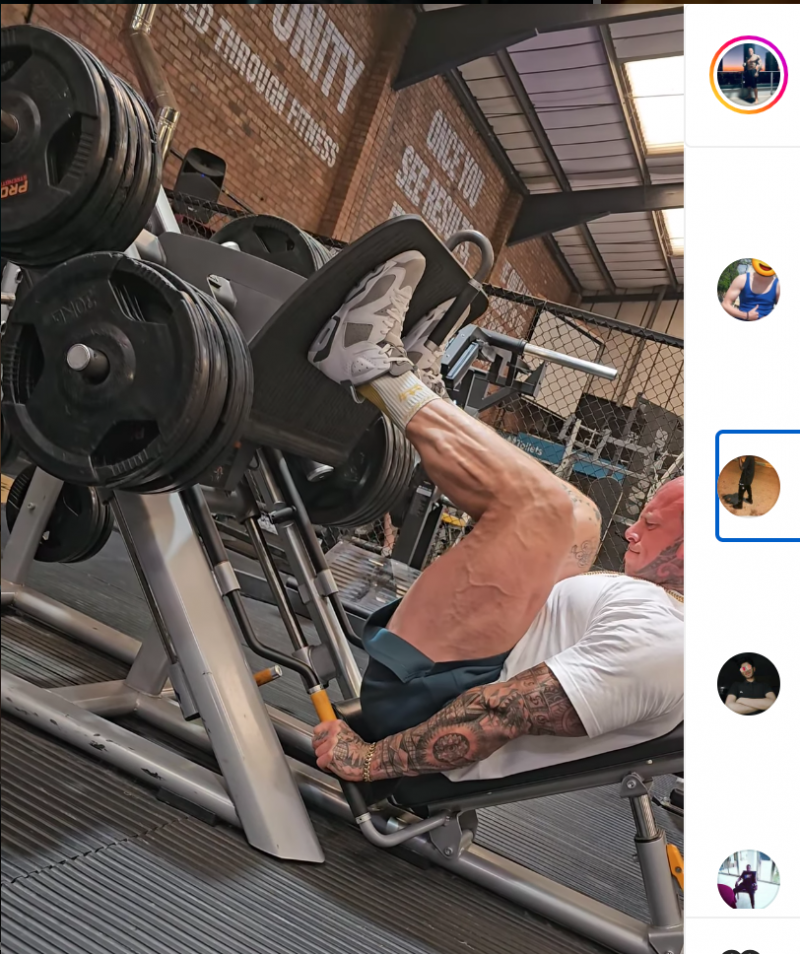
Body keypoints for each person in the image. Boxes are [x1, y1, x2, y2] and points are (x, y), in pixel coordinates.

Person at [307, 251, 683, 783]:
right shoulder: (665, 613)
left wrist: (370, 760)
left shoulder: (666, 643)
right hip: (466, 667)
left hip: (429, 704)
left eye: (652, 525)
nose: (633, 530)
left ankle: (366, 364)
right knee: (580, 516)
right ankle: (428, 398)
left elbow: (502, 711)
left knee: (546, 513)